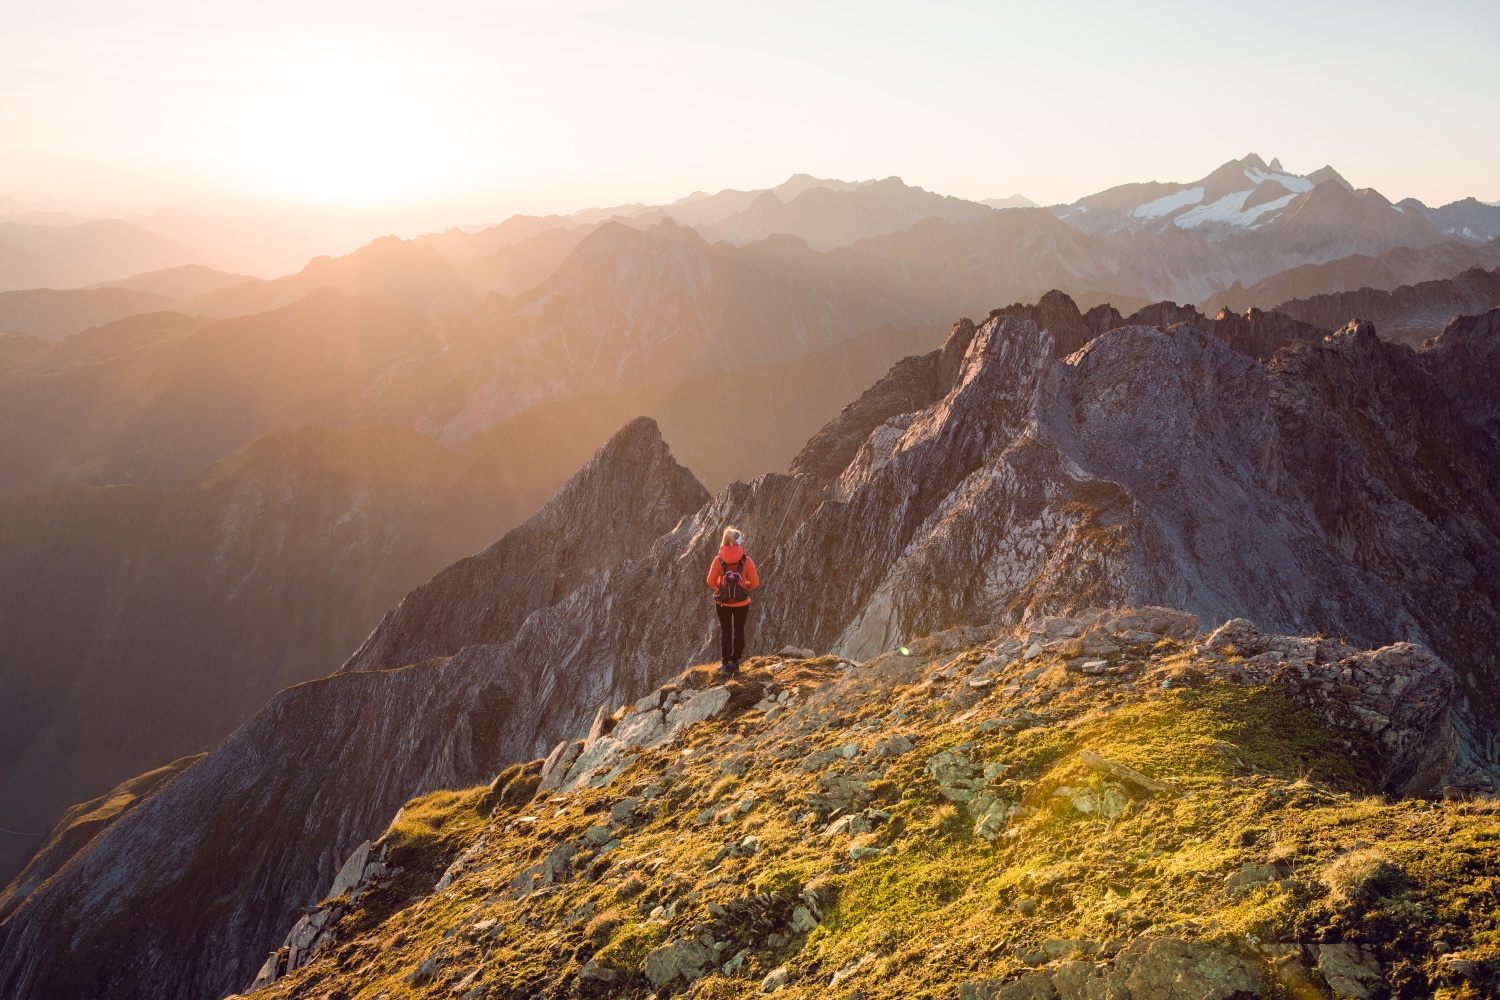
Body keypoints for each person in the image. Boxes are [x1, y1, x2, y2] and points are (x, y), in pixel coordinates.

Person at [706, 525, 759, 674]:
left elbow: (710, 581)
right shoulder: (746, 560)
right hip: (742, 603)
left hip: (723, 603)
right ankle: (736, 662)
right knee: (739, 631)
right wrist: (743, 587)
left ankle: (725, 664)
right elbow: (754, 583)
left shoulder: (718, 560)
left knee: (726, 631)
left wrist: (722, 587)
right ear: (738, 543)